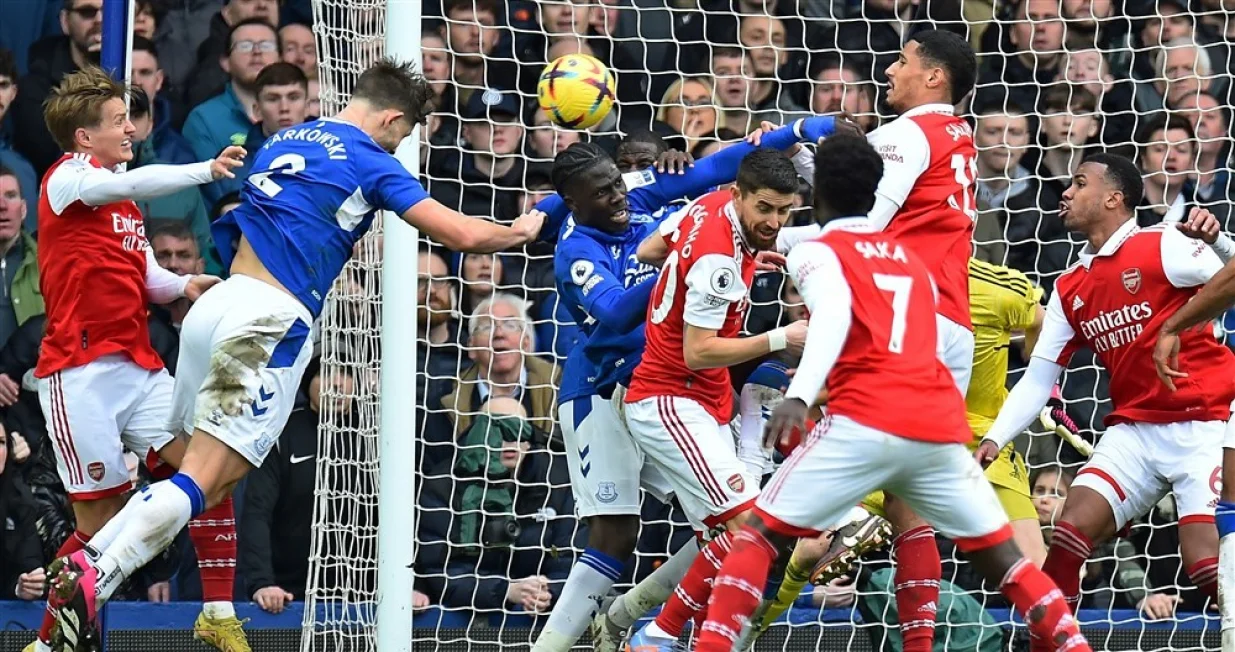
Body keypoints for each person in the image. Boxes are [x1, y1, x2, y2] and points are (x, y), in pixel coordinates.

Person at [44, 58, 546, 645]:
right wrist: (521, 229)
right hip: (266, 322)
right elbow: (461, 234)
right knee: (207, 476)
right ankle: (94, 569)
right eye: (403, 134)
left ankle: (189, 605)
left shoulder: (287, 137)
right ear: (391, 119)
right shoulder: (371, 159)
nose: (398, 146)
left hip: (216, 305)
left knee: (203, 475)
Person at [694, 131, 1090, 652]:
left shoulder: (817, 252)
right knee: (1007, 562)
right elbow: (951, 347)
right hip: (933, 430)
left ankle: (712, 644)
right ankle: (1074, 644)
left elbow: (833, 317)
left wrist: (801, 393)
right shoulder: (912, 262)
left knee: (758, 537)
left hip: (862, 423)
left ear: (816, 195)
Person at [530, 117, 836, 652]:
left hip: (679, 383)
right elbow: (613, 313)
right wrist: (689, 263)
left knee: (724, 528)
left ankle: (631, 620)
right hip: (604, 387)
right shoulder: (578, 249)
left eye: (623, 180)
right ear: (572, 203)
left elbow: (718, 169)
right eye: (604, 190)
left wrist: (801, 129)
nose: (619, 195)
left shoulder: (650, 200)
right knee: (617, 534)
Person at [28, 66, 249, 652]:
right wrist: (205, 170)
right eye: (119, 121)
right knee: (98, 529)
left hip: (140, 365)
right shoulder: (67, 179)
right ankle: (48, 644)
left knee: (210, 472)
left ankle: (218, 611)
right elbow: (138, 183)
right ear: (84, 136)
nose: (130, 129)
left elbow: (147, 276)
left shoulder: (121, 201)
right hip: (80, 374)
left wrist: (186, 286)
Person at [978, 153, 1235, 652]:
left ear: (1114, 197)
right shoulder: (1069, 286)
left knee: (1207, 565)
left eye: (1079, 183)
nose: (1065, 192)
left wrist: (1218, 243)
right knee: (1069, 533)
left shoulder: (1163, 242)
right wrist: (994, 438)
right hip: (1134, 431)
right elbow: (1038, 378)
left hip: (1205, 424)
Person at [622, 149, 810, 652]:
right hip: (670, 401)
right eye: (764, 208)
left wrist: (738, 263)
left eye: (784, 211)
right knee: (754, 528)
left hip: (705, 401)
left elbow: (649, 250)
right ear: (738, 194)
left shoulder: (707, 207)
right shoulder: (717, 259)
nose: (774, 222)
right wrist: (782, 337)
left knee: (728, 537)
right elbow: (699, 351)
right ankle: (657, 636)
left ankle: (657, 632)